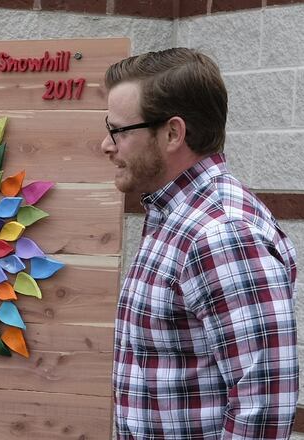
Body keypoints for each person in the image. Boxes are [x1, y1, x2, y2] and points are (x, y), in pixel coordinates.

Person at [103, 48, 298, 439]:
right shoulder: (174, 216)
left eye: (118, 131)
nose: (106, 145)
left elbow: (262, 410)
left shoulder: (221, 233)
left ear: (173, 133)